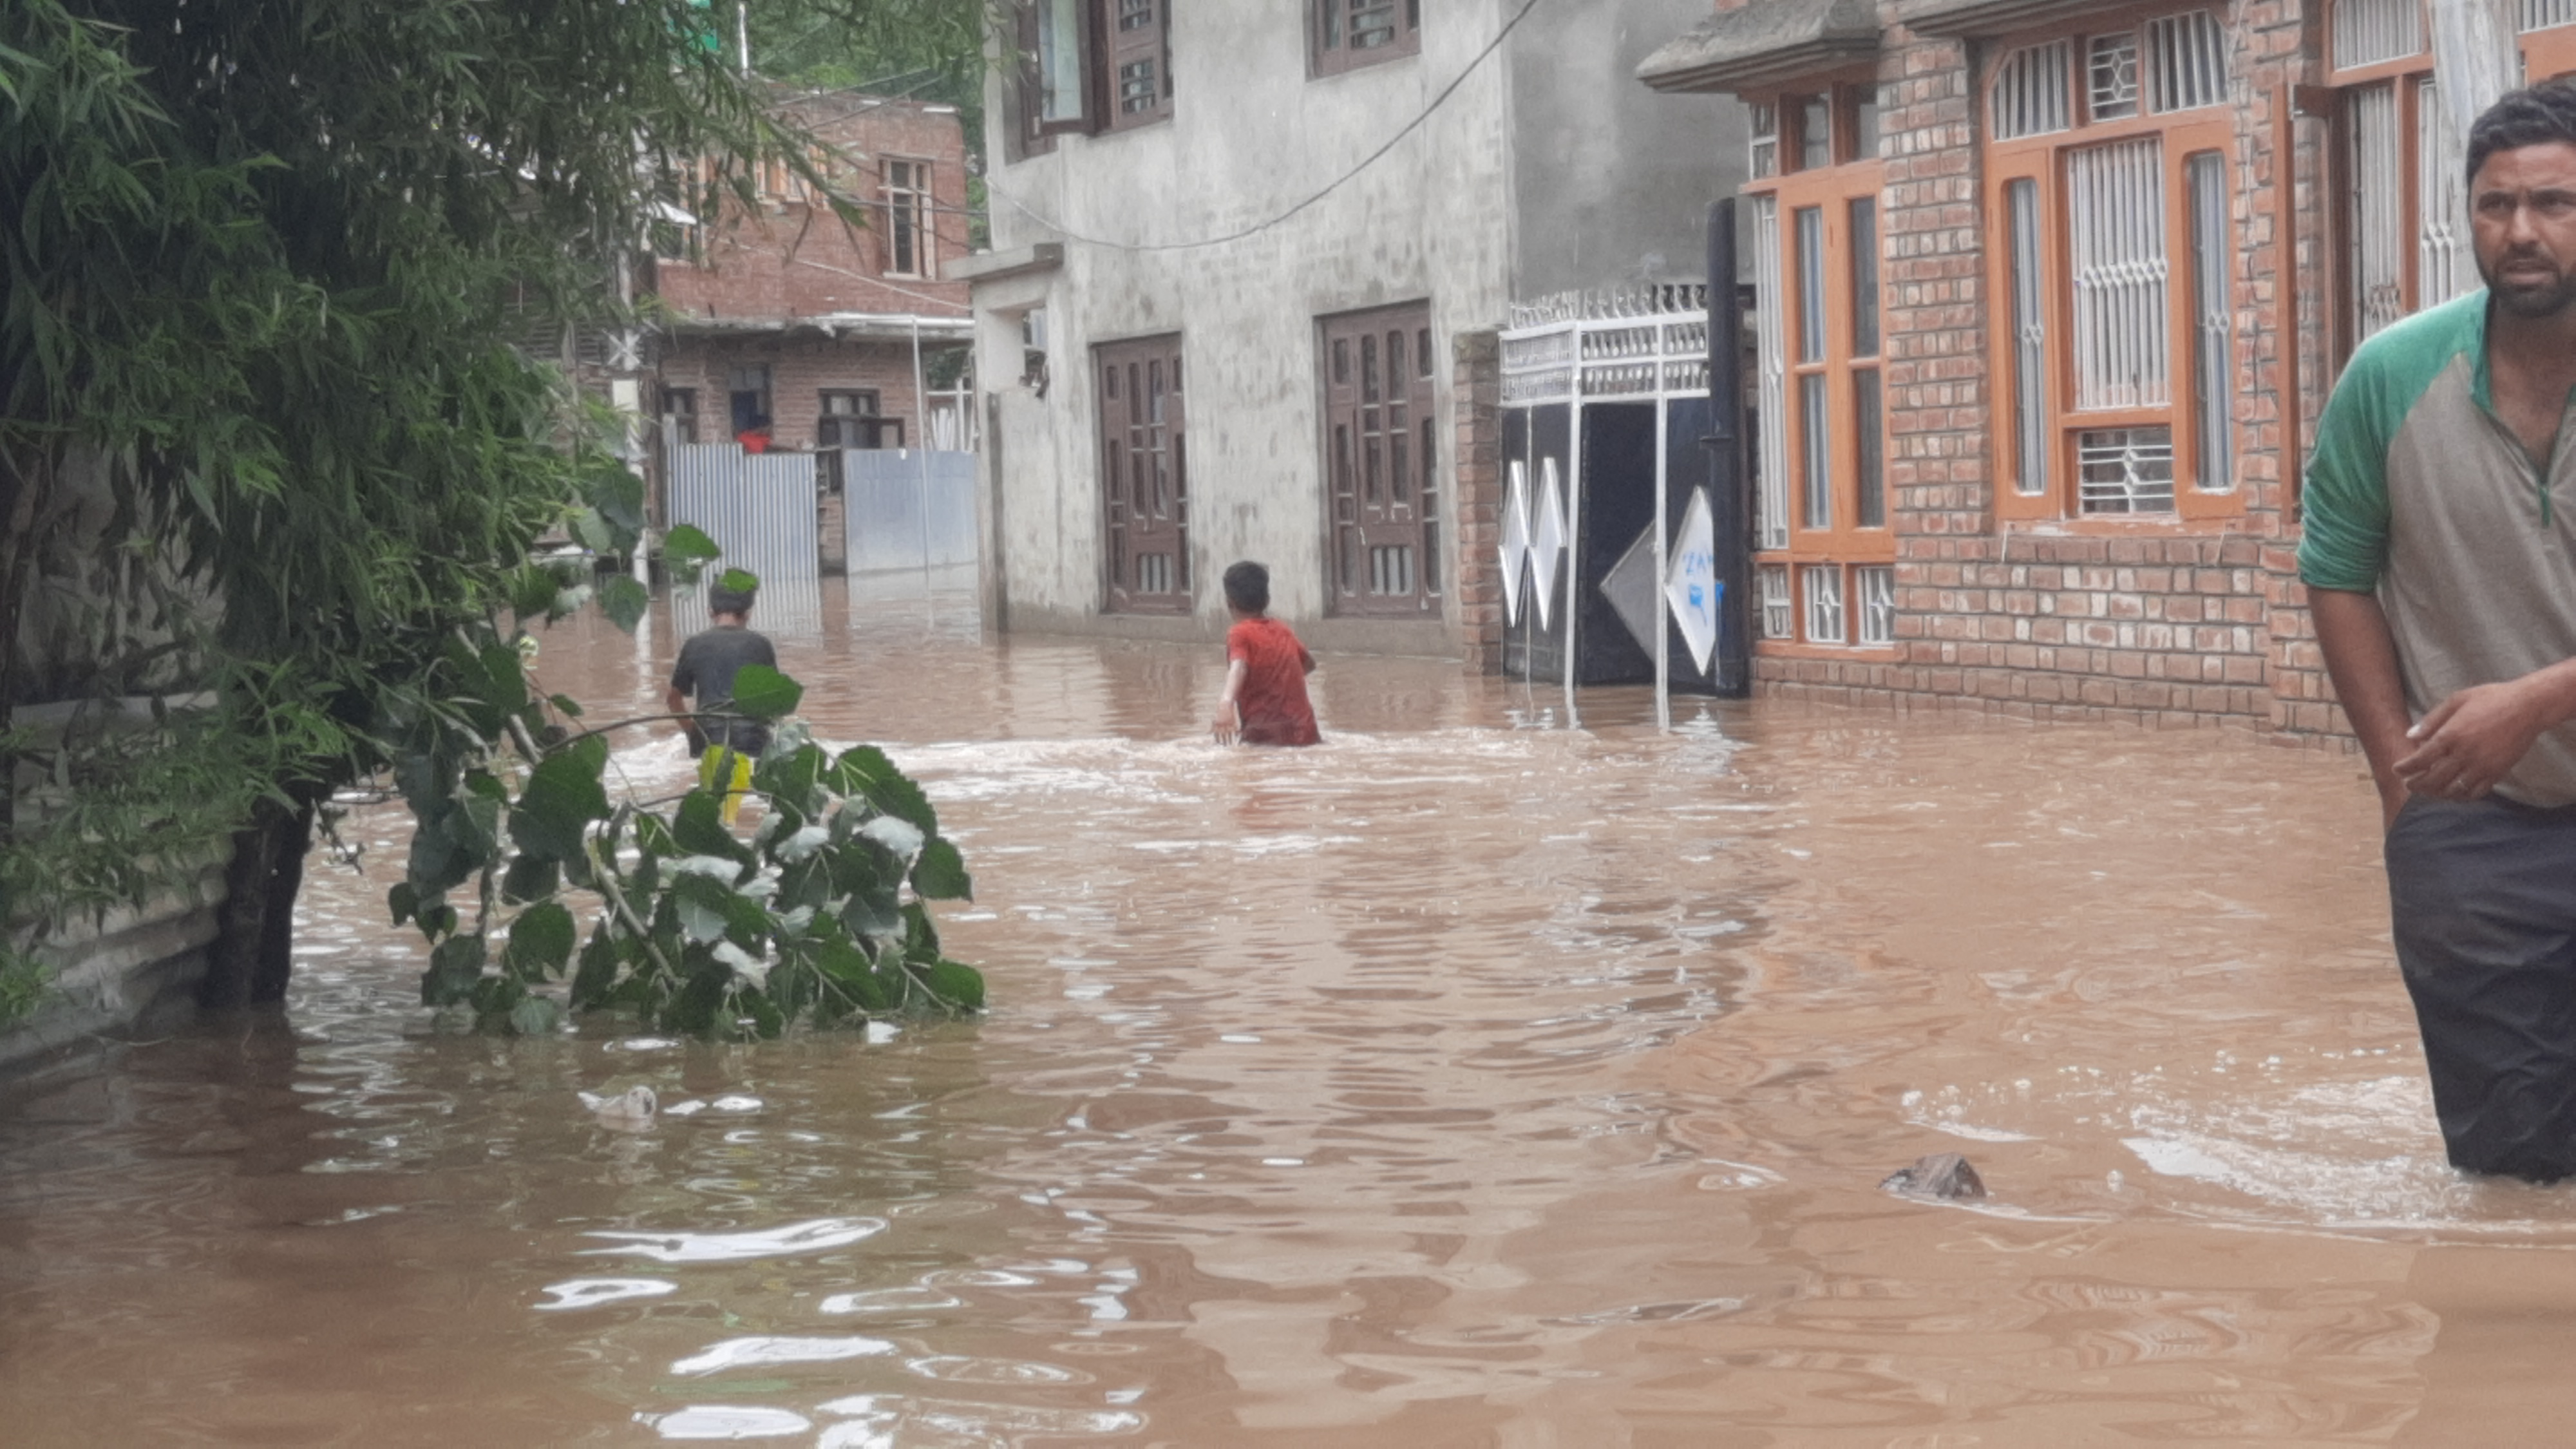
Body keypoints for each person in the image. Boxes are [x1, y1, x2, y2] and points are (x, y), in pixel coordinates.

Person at [2302, 79, 2576, 1182]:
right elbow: (2336, 571)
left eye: (2556, 203)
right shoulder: (2390, 378)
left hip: (2522, 741)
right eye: (2495, 203)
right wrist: (2398, 783)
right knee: (2510, 1175)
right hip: (2477, 837)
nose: (2521, 230)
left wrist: (2541, 698)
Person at [666, 582, 777, 824]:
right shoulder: (760, 645)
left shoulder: (694, 644)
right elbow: (771, 704)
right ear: (748, 613)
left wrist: (693, 733)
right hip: (753, 742)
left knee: (714, 809)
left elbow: (673, 699)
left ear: (709, 611)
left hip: (709, 739)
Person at [1209, 560, 1320, 747]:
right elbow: (1309, 664)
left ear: (1229, 603)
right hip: (1307, 734)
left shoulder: (1239, 633)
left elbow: (1239, 667)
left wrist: (1226, 704)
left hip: (1265, 737)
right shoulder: (1282, 629)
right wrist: (1278, 682)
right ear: (1268, 600)